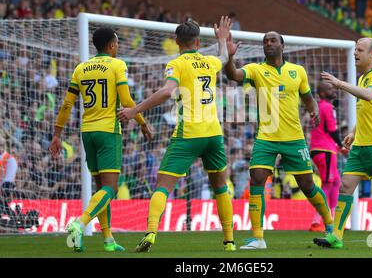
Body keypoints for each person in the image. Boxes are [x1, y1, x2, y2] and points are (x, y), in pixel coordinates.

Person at [119, 17, 236, 252]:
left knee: (162, 186)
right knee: (220, 187)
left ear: (176, 41)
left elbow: (166, 92)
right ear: (198, 42)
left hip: (189, 133)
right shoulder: (209, 61)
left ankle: (151, 232)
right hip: (213, 134)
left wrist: (134, 110)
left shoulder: (177, 64)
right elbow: (224, 58)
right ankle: (230, 241)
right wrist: (222, 40)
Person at [224, 31, 333, 249]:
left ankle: (331, 226)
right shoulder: (257, 70)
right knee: (256, 180)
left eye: (273, 40)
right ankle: (258, 237)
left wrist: (313, 111)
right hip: (266, 137)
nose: (268, 44)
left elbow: (308, 98)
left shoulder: (297, 71)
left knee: (307, 185)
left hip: (294, 138)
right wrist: (229, 57)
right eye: (265, 41)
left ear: (282, 45)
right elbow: (233, 75)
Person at [49, 27, 152, 252]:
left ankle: (108, 239)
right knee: (111, 188)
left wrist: (57, 134)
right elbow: (125, 99)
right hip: (108, 131)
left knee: (101, 189)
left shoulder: (81, 68)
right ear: (112, 45)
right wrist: (142, 123)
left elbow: (67, 104)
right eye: (117, 43)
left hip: (88, 132)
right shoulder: (117, 65)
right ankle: (79, 223)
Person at [314, 37, 372, 249]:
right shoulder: (363, 78)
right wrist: (354, 133)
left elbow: (368, 96)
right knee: (345, 187)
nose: (355, 53)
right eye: (355, 49)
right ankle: (336, 236)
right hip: (360, 145)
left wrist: (338, 83)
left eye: (360, 50)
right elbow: (367, 111)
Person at [309, 82, 344, 232]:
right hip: (324, 149)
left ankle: (334, 218)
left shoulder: (319, 107)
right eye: (330, 89)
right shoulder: (327, 107)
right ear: (322, 93)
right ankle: (317, 220)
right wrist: (342, 145)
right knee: (328, 183)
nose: (333, 90)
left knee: (336, 181)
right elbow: (332, 130)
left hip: (323, 148)